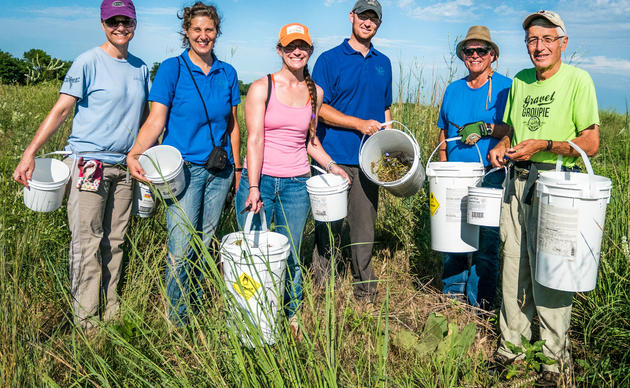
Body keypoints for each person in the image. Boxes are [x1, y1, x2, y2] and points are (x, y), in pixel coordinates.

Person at [13, 0, 149, 331]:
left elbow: (146, 120)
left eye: (126, 21)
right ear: (103, 24)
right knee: (87, 242)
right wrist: (30, 152)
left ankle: (111, 310)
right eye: (113, 21)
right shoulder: (88, 61)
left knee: (115, 242)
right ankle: (87, 323)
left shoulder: (142, 68)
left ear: (135, 24)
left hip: (123, 168)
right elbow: (61, 110)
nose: (120, 27)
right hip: (90, 164)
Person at [488, 10, 600, 385]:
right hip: (516, 181)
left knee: (552, 270)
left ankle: (553, 360)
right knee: (513, 264)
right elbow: (509, 129)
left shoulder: (577, 80)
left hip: (556, 184)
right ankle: (511, 348)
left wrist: (545, 146)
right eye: (533, 40)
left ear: (562, 43)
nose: (539, 47)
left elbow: (591, 142)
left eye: (547, 39)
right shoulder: (520, 81)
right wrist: (502, 145)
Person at [126, 2, 241, 326]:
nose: (203, 36)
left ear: (217, 33)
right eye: (197, 30)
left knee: (205, 240)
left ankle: (195, 302)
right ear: (186, 32)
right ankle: (177, 320)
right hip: (183, 171)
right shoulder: (172, 69)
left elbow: (233, 126)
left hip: (220, 171)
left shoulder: (227, 73)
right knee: (181, 244)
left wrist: (238, 169)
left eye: (209, 30)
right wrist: (135, 152)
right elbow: (155, 120)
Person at [235, 23, 350, 333]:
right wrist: (255, 186)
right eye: (290, 47)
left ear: (310, 50)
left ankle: (291, 314)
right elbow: (255, 139)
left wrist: (332, 166)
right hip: (260, 181)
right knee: (253, 251)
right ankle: (251, 315)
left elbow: (311, 142)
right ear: (279, 50)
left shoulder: (316, 93)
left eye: (302, 47)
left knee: (290, 252)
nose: (296, 52)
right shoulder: (263, 87)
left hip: (297, 184)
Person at [310, 0, 392, 303]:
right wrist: (359, 124)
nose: (367, 22)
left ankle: (365, 290)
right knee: (328, 225)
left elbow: (385, 110)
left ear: (378, 24)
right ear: (351, 17)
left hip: (369, 161)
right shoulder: (329, 60)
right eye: (363, 16)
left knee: (363, 227)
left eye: (373, 18)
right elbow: (318, 109)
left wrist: (387, 141)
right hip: (332, 158)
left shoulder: (384, 62)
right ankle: (322, 289)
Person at [436, 26, 512, 311]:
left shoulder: (506, 88)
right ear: (463, 56)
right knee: (453, 235)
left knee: (485, 242)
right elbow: (443, 131)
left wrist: (486, 128)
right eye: (470, 51)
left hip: (489, 176)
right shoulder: (453, 89)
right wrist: (443, 163)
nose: (476, 55)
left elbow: (512, 129)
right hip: (453, 176)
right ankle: (452, 299)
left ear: (492, 55)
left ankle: (481, 304)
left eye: (482, 51)